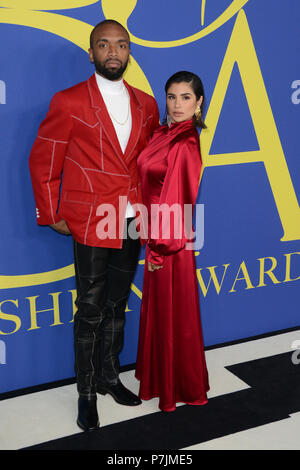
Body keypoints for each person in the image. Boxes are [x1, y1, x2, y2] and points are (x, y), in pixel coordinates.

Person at [29, 19, 159, 431]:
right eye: (104, 45)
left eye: (121, 45)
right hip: (91, 219)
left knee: (117, 305)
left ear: (129, 52)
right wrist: (52, 214)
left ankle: (108, 376)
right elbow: (44, 159)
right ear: (91, 53)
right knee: (89, 309)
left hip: (131, 220)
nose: (113, 52)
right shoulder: (69, 101)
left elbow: (149, 165)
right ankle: (86, 392)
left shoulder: (147, 103)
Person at [135, 71, 209, 412]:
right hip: (154, 237)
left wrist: (160, 248)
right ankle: (164, 380)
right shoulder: (163, 134)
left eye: (185, 98)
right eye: (171, 96)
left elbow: (178, 201)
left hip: (169, 246)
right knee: (165, 315)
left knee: (173, 314)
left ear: (198, 103)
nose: (177, 104)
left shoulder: (185, 142)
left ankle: (178, 387)